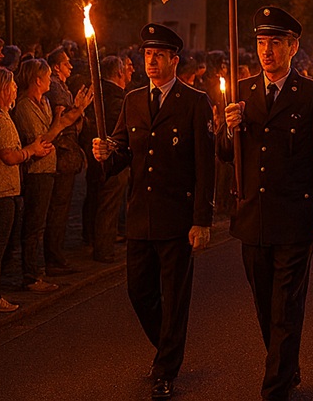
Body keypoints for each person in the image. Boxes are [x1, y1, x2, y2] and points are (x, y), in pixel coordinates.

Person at [220, 7, 313, 401]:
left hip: (294, 219)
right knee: (263, 306)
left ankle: (273, 388)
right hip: (253, 219)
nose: (266, 51)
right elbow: (226, 154)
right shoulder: (242, 92)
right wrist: (228, 129)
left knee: (285, 307)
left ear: (293, 47)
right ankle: (286, 364)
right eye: (260, 42)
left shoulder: (312, 94)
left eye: (275, 42)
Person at [94, 24, 214, 401]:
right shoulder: (132, 101)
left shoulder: (194, 101)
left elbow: (204, 165)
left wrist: (201, 219)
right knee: (139, 291)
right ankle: (167, 346)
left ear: (174, 61)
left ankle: (166, 368)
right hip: (141, 215)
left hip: (177, 217)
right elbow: (122, 152)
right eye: (147, 55)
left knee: (175, 296)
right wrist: (104, 155)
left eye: (159, 55)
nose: (151, 61)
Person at [0, 67, 52, 314]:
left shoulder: (0, 115)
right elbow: (9, 155)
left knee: (0, 242)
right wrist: (31, 151)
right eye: (12, 86)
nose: (16, 89)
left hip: (3, 187)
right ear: (2, 89)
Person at [13, 58, 84, 295]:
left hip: (48, 168)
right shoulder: (24, 106)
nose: (49, 82)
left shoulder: (42, 101)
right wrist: (55, 125)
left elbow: (57, 127)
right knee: (33, 225)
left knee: (40, 223)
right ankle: (30, 275)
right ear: (37, 79)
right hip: (36, 172)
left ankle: (36, 270)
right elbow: (42, 139)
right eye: (46, 77)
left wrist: (78, 110)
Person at [83, 55, 130, 263]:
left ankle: (96, 240)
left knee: (98, 200)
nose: (132, 72)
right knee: (108, 203)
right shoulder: (116, 99)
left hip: (97, 157)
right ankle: (103, 248)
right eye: (128, 68)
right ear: (119, 73)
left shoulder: (100, 94)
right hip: (111, 159)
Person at [44, 46, 86, 276]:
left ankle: (55, 255)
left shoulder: (61, 87)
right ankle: (54, 257)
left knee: (61, 208)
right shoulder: (56, 88)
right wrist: (78, 110)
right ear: (57, 66)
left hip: (66, 153)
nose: (71, 67)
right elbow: (62, 121)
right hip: (61, 153)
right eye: (67, 63)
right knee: (58, 209)